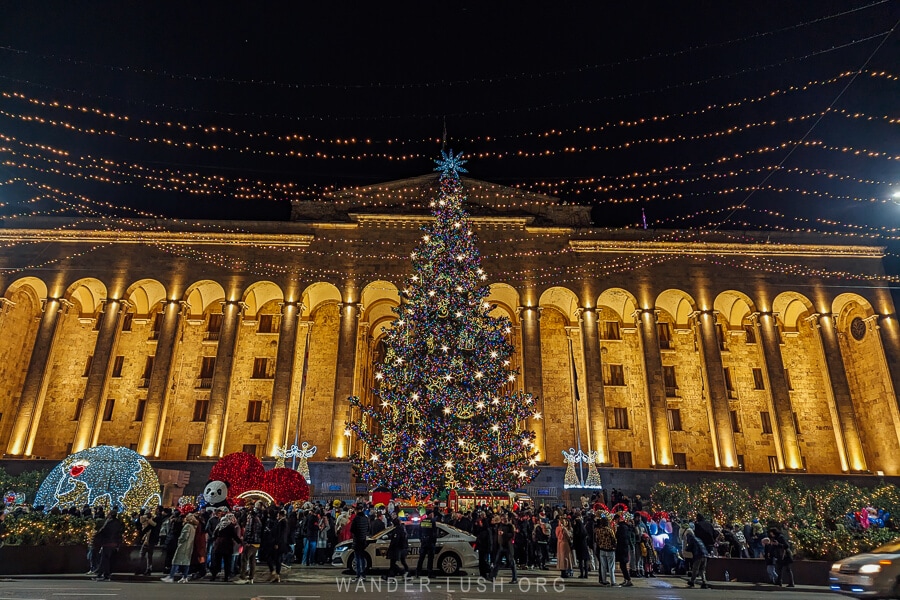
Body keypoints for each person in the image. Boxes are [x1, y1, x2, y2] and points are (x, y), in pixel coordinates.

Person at [164, 513, 197, 583]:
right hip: (189, 546)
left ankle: (171, 576)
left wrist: (180, 540)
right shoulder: (193, 527)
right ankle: (185, 577)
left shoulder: (187, 526)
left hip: (183, 546)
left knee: (176, 561)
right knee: (186, 562)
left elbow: (184, 536)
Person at [210, 512, 242, 582]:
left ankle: (213, 576)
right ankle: (226, 577)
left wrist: (215, 541)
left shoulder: (219, 525)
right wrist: (240, 542)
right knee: (227, 562)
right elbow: (234, 535)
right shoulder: (230, 526)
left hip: (218, 545)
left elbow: (214, 535)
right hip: (227, 545)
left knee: (217, 561)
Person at [93, 510, 124, 582]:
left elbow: (103, 531)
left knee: (105, 559)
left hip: (107, 543)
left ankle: (105, 575)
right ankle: (100, 574)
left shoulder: (109, 523)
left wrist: (97, 536)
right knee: (105, 559)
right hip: (114, 543)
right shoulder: (118, 523)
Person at [490, 513, 518, 583]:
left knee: (512, 562)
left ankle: (515, 578)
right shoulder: (499, 525)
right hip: (501, 546)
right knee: (497, 562)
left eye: (505, 518)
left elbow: (512, 535)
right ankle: (492, 577)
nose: (504, 520)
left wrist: (504, 534)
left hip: (508, 547)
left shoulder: (510, 526)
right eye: (502, 519)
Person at [240, 504, 262, 583]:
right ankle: (251, 577)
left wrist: (247, 541)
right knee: (252, 560)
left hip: (251, 542)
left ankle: (242, 576)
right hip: (257, 542)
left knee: (244, 558)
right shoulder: (259, 520)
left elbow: (250, 531)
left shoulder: (252, 520)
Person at [266, 510, 290, 583]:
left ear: (281, 515)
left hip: (279, 544)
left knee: (273, 559)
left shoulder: (282, 522)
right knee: (277, 559)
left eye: (278, 515)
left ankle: (275, 574)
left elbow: (280, 534)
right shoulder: (284, 522)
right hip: (281, 543)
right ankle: (276, 575)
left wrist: (276, 543)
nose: (277, 516)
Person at [383, 514, 409, 580]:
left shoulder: (397, 530)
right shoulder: (402, 529)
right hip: (400, 548)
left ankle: (402, 573)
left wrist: (390, 548)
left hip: (395, 549)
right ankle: (390, 576)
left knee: (393, 564)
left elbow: (395, 541)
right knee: (394, 564)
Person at [687, 518, 710, 589]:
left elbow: (689, 548)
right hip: (705, 555)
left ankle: (692, 581)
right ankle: (704, 582)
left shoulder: (691, 539)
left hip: (698, 555)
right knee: (702, 570)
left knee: (695, 569)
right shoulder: (698, 539)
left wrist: (685, 550)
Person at [350, 504, 370, 582]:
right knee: (362, 558)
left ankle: (358, 575)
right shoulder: (366, 519)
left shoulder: (356, 519)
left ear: (357, 510)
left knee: (357, 559)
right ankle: (363, 575)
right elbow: (368, 529)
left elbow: (352, 530)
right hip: (363, 541)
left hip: (357, 541)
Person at [415, 507, 438, 578]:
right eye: (432, 513)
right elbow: (434, 533)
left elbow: (419, 532)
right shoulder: (432, 521)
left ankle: (417, 572)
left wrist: (421, 539)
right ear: (430, 514)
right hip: (430, 542)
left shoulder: (422, 521)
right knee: (430, 558)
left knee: (421, 558)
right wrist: (434, 541)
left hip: (424, 542)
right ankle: (430, 573)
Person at [594, 516, 616, 586]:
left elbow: (596, 540)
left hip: (602, 549)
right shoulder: (609, 530)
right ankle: (613, 581)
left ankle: (604, 580)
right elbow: (614, 539)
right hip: (610, 549)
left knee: (603, 566)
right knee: (611, 566)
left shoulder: (598, 530)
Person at [614, 515, 634, 587]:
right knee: (623, 565)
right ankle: (626, 579)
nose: (615, 521)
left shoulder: (622, 527)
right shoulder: (624, 526)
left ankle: (628, 580)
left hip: (623, 548)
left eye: (616, 520)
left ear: (618, 519)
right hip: (624, 548)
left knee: (623, 565)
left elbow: (619, 537)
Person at [572, 514, 591, 578]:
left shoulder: (576, 530)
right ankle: (586, 574)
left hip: (579, 546)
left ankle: (582, 573)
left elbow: (575, 538)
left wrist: (574, 545)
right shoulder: (584, 530)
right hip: (584, 545)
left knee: (580, 560)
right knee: (585, 560)